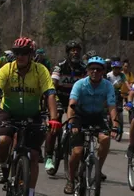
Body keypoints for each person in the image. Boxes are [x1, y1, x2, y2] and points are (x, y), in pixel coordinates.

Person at [0, 37, 60, 196]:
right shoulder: (6, 69)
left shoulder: (40, 70)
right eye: (17, 53)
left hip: (33, 114)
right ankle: (3, 166)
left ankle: (30, 192)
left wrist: (53, 118)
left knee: (34, 155)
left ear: (31, 54)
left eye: (24, 53)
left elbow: (50, 94)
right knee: (3, 141)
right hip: (9, 112)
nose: (20, 56)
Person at [64, 56, 118, 194]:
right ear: (87, 70)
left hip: (97, 117)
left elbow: (112, 106)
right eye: (92, 68)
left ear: (103, 71)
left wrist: (115, 123)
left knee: (105, 139)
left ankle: (97, 169)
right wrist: (71, 122)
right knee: (77, 152)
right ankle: (70, 180)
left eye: (98, 69)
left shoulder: (107, 86)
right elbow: (71, 105)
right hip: (80, 116)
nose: (95, 71)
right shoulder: (80, 84)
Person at [47, 40, 86, 173]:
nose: (75, 52)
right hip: (60, 98)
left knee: (81, 125)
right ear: (68, 53)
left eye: (77, 50)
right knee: (55, 121)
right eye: (72, 50)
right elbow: (53, 85)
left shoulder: (84, 67)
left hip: (74, 100)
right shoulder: (60, 66)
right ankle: (48, 157)